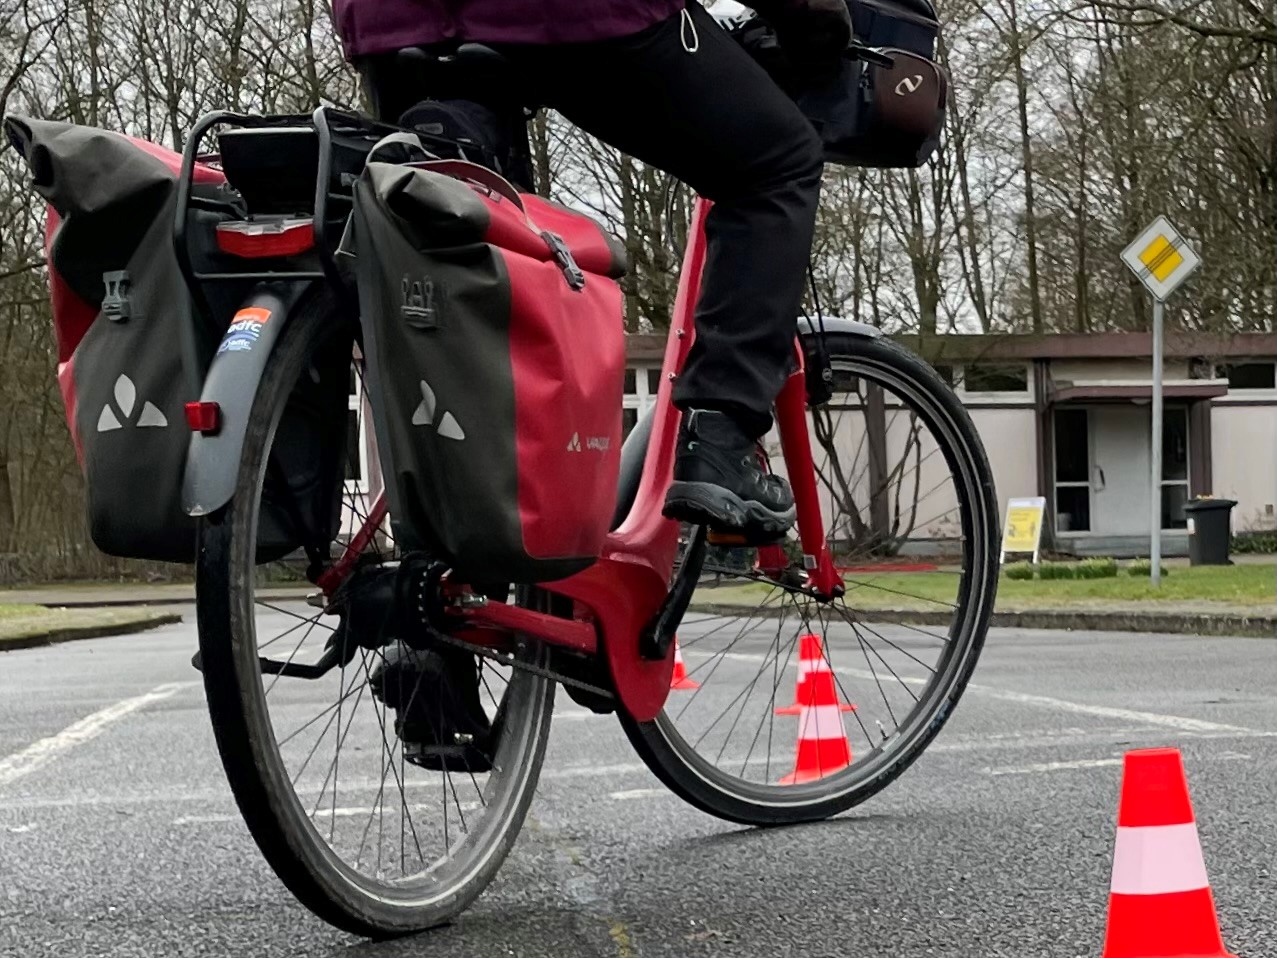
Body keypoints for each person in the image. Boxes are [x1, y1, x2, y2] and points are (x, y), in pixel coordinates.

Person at [332, 0, 852, 540]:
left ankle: (463, 568)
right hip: (575, 15)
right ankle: (720, 442)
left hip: (388, 19)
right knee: (778, 163)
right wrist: (810, 18)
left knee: (457, 242)